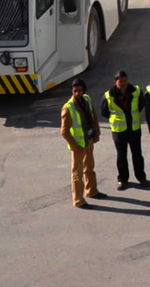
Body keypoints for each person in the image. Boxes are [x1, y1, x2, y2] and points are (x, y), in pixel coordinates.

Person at [60, 78, 103, 207]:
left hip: (88, 140)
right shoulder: (68, 108)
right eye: (75, 91)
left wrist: (96, 133)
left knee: (90, 167)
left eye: (79, 91)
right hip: (78, 146)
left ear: (84, 90)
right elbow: (64, 132)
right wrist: (75, 146)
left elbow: (93, 116)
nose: (77, 93)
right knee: (77, 173)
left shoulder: (87, 99)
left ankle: (91, 191)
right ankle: (78, 200)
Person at [104, 69, 148, 190]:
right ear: (115, 82)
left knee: (137, 155)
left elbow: (140, 105)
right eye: (120, 81)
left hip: (134, 129)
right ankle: (122, 180)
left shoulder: (136, 91)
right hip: (119, 131)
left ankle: (141, 177)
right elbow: (105, 112)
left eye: (125, 81)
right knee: (121, 157)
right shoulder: (109, 96)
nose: (123, 83)